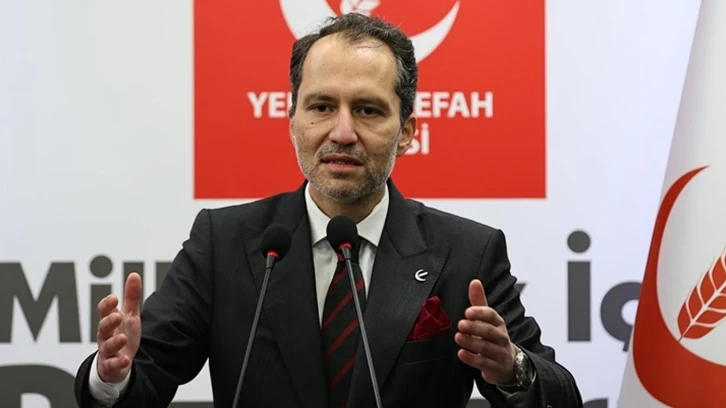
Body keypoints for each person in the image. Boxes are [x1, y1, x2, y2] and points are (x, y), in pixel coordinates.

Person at [74, 12, 582, 408]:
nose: (342, 132)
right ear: (292, 121)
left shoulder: (466, 252)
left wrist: (512, 368)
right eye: (321, 107)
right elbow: (141, 383)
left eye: (367, 110)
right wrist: (111, 375)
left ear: (406, 131)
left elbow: (559, 393)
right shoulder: (223, 242)